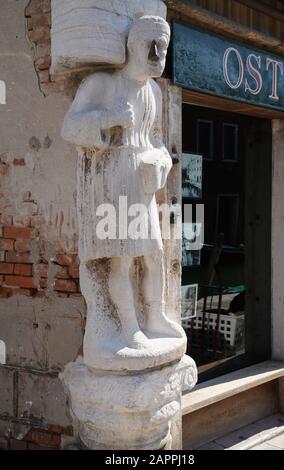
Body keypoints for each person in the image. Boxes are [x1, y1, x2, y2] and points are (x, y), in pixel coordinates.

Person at [62, 16, 185, 352]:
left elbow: (158, 142)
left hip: (141, 183)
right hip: (112, 179)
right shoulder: (102, 84)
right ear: (132, 44)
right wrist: (108, 118)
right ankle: (130, 328)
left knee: (154, 254)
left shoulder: (155, 93)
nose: (160, 53)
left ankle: (155, 316)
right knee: (123, 259)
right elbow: (69, 128)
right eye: (152, 44)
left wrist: (160, 163)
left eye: (164, 44)